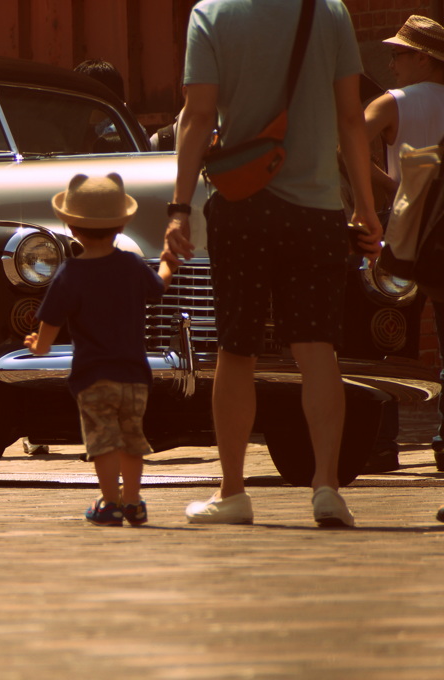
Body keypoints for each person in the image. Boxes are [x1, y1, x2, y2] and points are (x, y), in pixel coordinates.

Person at [163, 0, 383, 527]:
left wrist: (178, 209)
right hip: (318, 210)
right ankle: (326, 487)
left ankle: (233, 492)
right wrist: (367, 208)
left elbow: (196, 117)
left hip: (241, 209)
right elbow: (351, 117)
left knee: (236, 349)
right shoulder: (329, 11)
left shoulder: (211, 15)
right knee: (317, 350)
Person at [25, 173, 177, 526]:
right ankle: (134, 502)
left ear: (70, 226)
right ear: (122, 224)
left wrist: (38, 345)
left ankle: (109, 502)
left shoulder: (69, 273)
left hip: (94, 377)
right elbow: (159, 286)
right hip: (135, 376)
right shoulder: (132, 265)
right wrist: (169, 261)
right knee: (131, 440)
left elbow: (49, 328)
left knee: (104, 441)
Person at [363, 16, 444, 473]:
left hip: (405, 233)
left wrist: (389, 187)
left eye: (399, 53)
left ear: (423, 58)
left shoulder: (394, 103)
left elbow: (345, 138)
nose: (391, 62)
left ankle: (381, 441)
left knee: (388, 334)